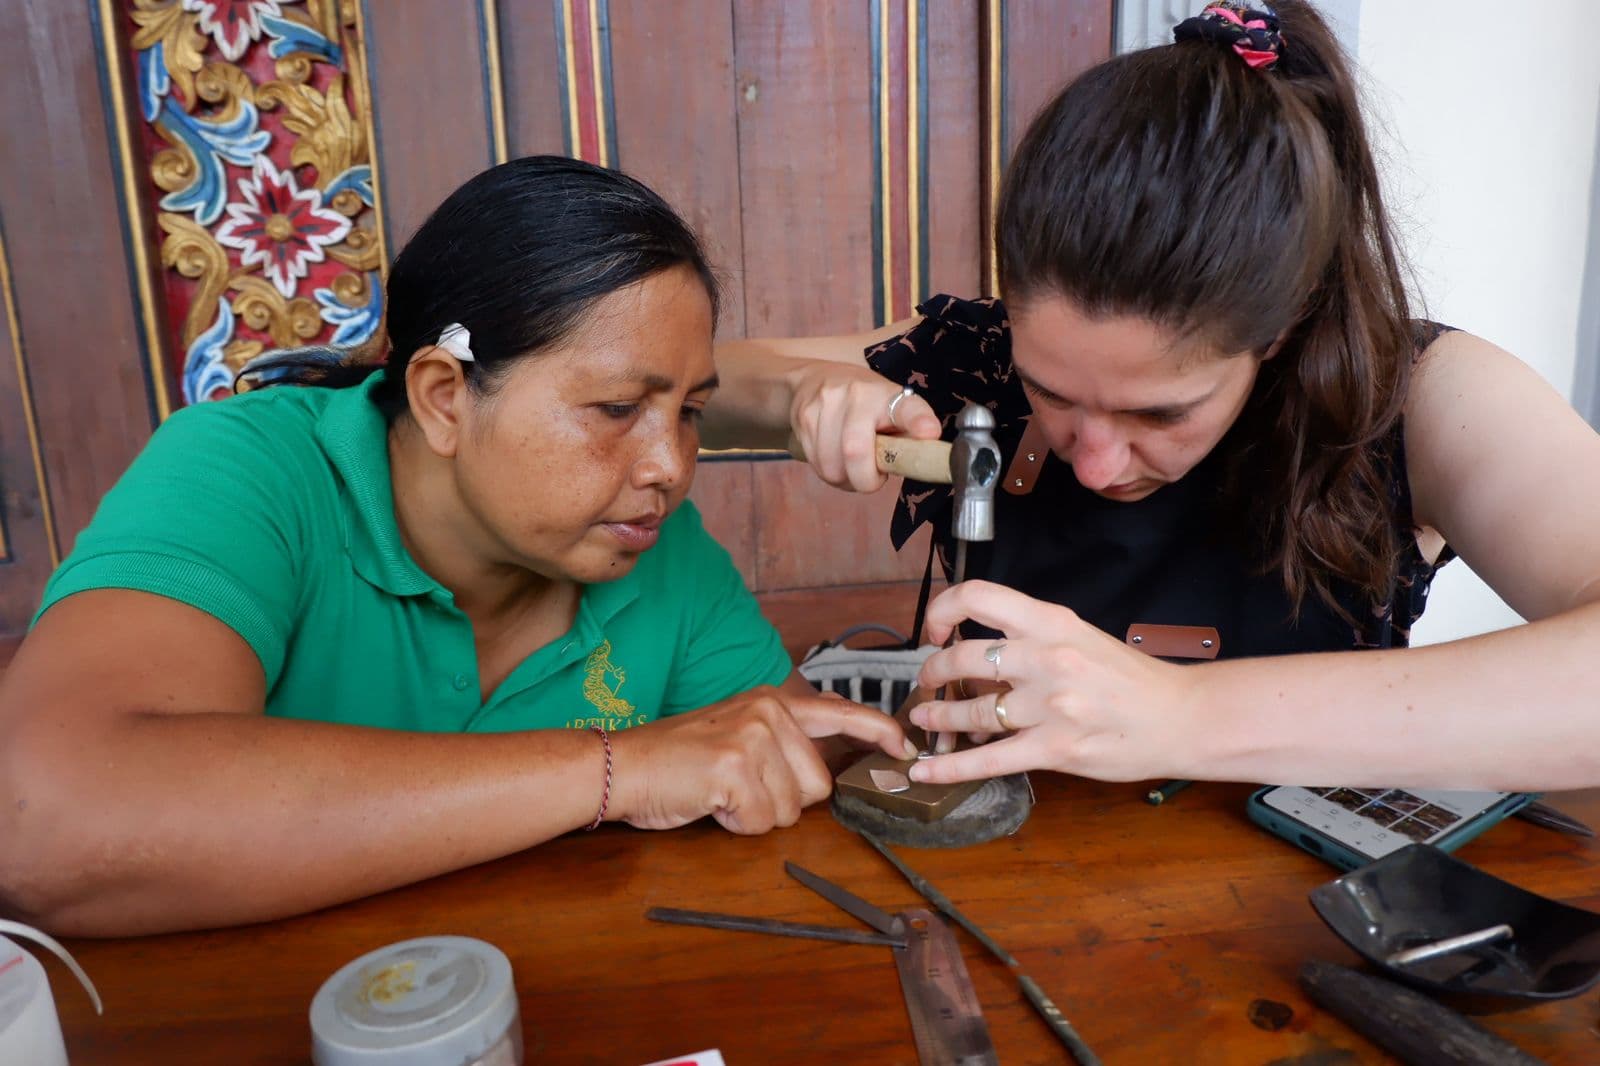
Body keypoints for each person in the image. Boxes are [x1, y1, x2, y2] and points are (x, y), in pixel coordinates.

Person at [0, 156, 913, 937]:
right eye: (617, 409)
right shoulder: (250, 476)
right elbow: (41, 819)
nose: (670, 464)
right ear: (442, 396)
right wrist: (616, 769)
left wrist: (901, 735)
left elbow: (768, 751)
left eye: (692, 413)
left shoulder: (656, 548)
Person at [704, 2, 1600, 794]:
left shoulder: (1414, 396)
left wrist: (1179, 714)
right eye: (1049, 391)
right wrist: (800, 394)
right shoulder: (975, 356)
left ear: (1279, 331)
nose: (1092, 462)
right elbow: (683, 391)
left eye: (1162, 412)